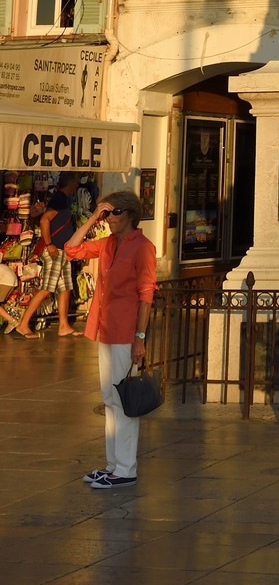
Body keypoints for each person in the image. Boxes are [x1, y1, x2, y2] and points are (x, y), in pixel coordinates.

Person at [63, 190, 157, 489]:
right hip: (104, 328)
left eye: (115, 212)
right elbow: (71, 249)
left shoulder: (143, 247)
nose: (110, 218)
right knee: (109, 399)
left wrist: (140, 337)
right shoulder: (108, 244)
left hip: (126, 331)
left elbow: (146, 294)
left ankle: (126, 468)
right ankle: (113, 464)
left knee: (123, 401)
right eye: (108, 213)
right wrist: (94, 217)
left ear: (130, 214)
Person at [13, 172, 82, 338]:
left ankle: (64, 325)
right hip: (55, 250)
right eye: (77, 183)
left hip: (63, 251)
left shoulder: (63, 199)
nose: (78, 186)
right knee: (45, 289)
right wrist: (50, 244)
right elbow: (45, 220)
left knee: (65, 288)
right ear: (71, 183)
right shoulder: (59, 198)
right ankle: (23, 324)